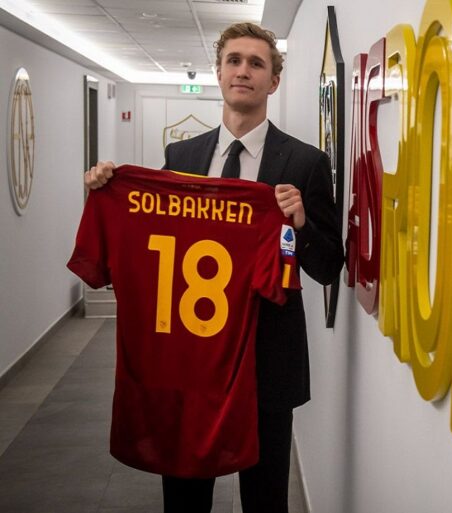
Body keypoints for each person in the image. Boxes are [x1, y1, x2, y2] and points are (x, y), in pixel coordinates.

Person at [84, 22, 344, 513]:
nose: (243, 71)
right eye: (234, 61)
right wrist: (109, 188)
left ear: (273, 81)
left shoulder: (306, 163)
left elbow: (329, 266)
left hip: (266, 360)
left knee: (266, 498)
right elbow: (154, 234)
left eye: (256, 63)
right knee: (184, 495)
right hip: (191, 357)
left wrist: (301, 223)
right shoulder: (180, 156)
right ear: (219, 73)